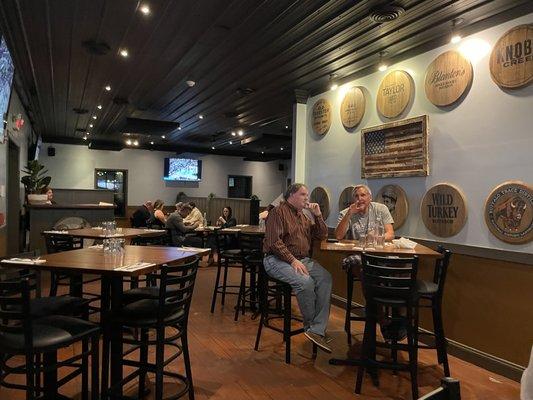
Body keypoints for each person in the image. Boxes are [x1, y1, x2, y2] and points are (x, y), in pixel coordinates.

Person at [263, 183, 332, 353]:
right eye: (303, 194)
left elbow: (322, 235)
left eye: (307, 195)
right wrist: (292, 260)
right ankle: (311, 328)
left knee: (325, 278)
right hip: (276, 259)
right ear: (291, 195)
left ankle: (316, 329)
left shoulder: (304, 216)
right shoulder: (277, 212)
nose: (307, 198)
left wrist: (318, 216)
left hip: (302, 259)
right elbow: (274, 242)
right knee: (305, 282)